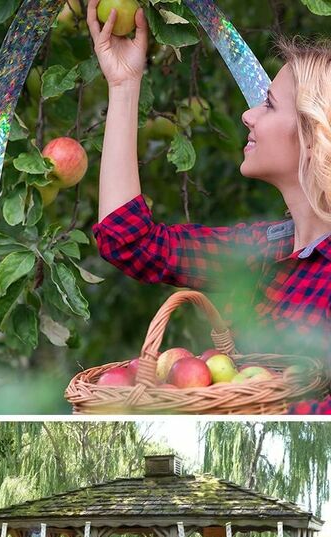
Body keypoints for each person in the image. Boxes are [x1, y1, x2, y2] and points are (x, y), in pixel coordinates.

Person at [86, 0, 331, 412]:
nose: (248, 114)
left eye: (269, 104)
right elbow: (128, 241)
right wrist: (124, 84)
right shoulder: (259, 250)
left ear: (313, 132)